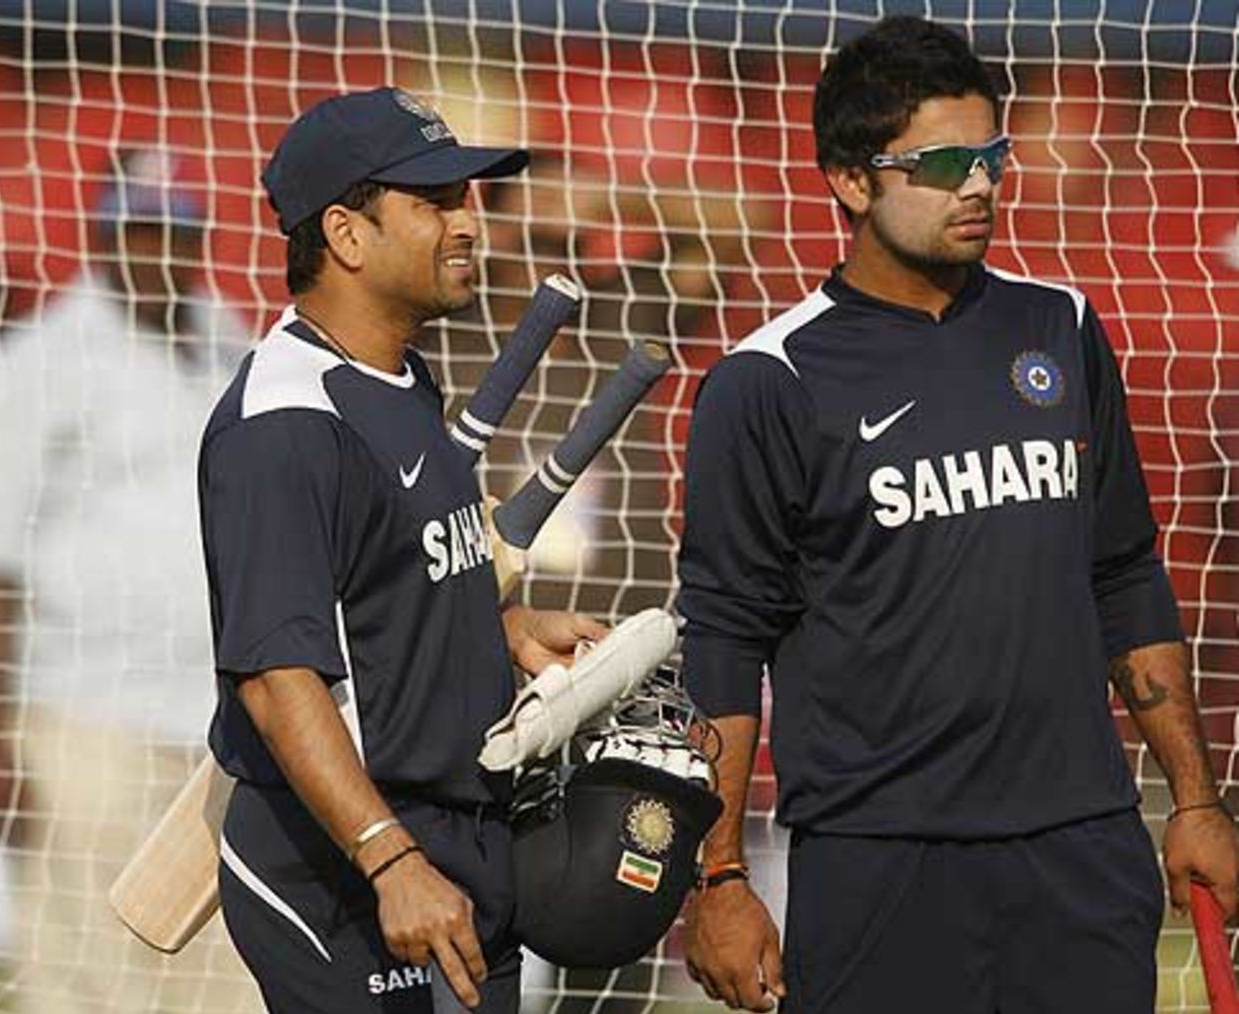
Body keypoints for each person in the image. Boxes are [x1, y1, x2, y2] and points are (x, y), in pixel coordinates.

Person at [675, 16, 1239, 1013]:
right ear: (851, 180)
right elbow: (724, 640)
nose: (978, 185)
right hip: (878, 864)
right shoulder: (765, 381)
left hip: (1081, 849)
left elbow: (1123, 573)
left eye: (990, 156)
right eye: (942, 163)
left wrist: (1193, 798)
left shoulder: (1057, 326)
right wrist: (718, 878)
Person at [202, 87, 604, 1014]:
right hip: (347, 869)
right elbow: (277, 677)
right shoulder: (284, 422)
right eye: (436, 203)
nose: (469, 225)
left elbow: (386, 586)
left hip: (450, 842)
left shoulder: (401, 375)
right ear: (345, 233)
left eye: (466, 200)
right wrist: (391, 859)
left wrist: (497, 628)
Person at [0, 148, 260, 1012]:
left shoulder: (222, 337)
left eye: (178, 232)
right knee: (86, 975)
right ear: (103, 232)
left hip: (212, 718)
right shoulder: (38, 361)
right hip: (83, 716)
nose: (161, 251)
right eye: (142, 229)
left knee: (223, 974)